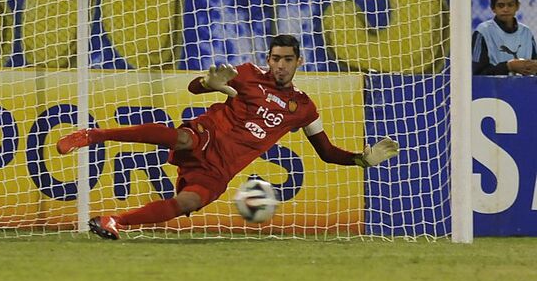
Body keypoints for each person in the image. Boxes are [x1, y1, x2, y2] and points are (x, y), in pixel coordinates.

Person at [57, 35, 399, 240]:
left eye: (287, 60)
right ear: (268, 60)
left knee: (190, 203)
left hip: (222, 167)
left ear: (298, 62)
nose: (280, 65)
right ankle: (95, 134)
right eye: (275, 59)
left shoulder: (304, 108)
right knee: (183, 139)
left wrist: (361, 160)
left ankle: (115, 221)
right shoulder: (248, 75)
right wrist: (209, 84)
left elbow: (325, 151)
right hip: (209, 134)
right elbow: (194, 88)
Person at [472, 0, 537, 75]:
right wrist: (509, 66)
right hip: (492, 89)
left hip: (524, 88)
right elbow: (477, 74)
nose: (506, 9)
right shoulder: (482, 32)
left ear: (517, 6)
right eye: (501, 5)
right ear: (493, 8)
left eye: (510, 5)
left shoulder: (526, 32)